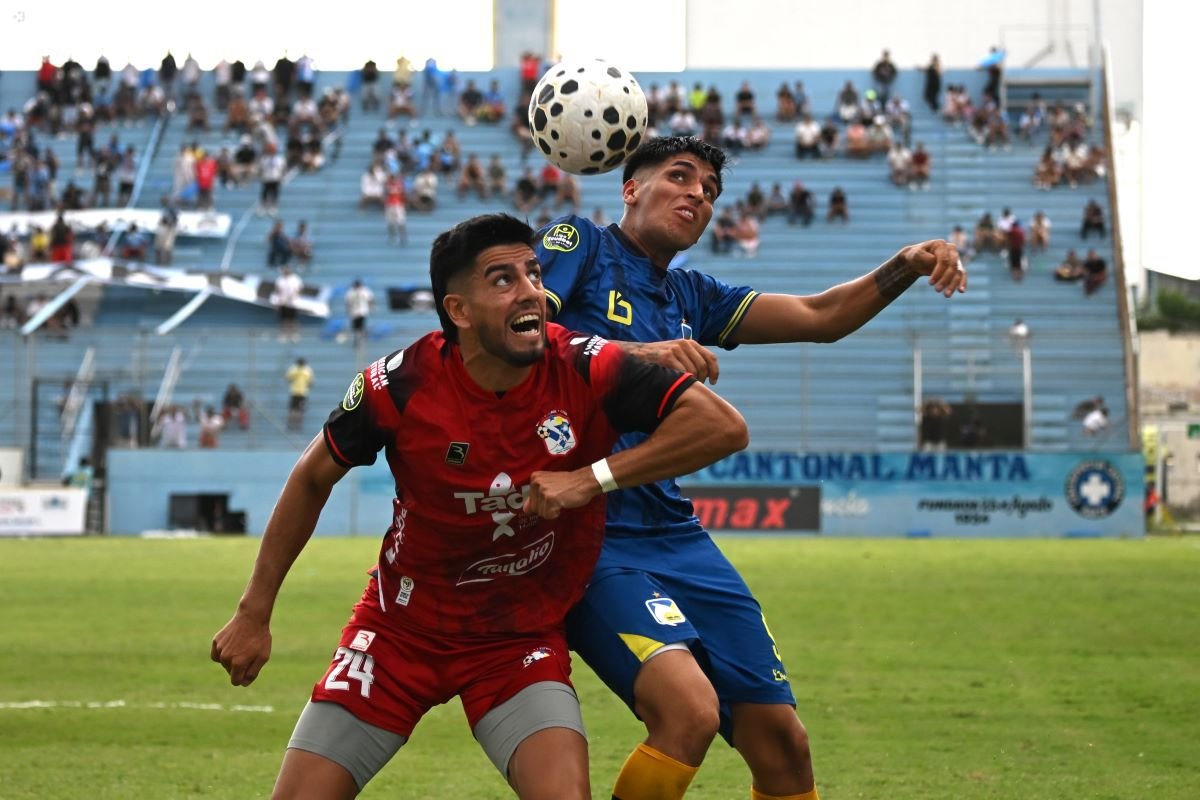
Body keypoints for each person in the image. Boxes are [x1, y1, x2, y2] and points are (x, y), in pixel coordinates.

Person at [211, 212, 747, 800]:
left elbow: (721, 427)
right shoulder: (400, 385)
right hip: (400, 632)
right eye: (502, 279)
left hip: (516, 641)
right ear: (458, 310)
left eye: (533, 272)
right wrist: (253, 611)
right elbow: (313, 475)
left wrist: (592, 478)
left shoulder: (584, 365)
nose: (532, 293)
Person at [534, 136, 965, 800]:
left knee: (783, 744)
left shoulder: (689, 295)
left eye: (709, 189)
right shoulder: (579, 244)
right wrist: (639, 353)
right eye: (680, 177)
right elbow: (523, 335)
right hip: (589, 531)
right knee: (688, 714)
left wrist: (904, 265)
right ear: (630, 188)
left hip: (675, 532)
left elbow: (822, 317)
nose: (697, 194)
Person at [284, 356, 313, 431]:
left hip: (294, 392)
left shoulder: (294, 370)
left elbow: (287, 379)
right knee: (300, 410)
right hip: (303, 393)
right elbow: (310, 383)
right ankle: (298, 425)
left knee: (293, 409)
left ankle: (290, 424)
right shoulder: (307, 371)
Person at [344, 278, 375, 344]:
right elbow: (348, 302)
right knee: (356, 326)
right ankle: (359, 336)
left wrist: (371, 307)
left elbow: (370, 299)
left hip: (361, 311)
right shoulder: (352, 291)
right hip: (356, 312)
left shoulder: (363, 290)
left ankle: (361, 336)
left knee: (360, 325)